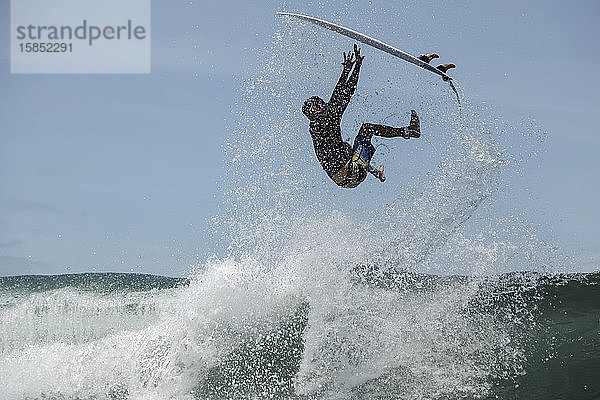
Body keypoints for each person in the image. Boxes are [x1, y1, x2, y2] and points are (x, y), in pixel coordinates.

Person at [302, 44, 421, 188]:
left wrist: (346, 71)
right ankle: (409, 131)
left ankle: (374, 171)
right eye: (320, 103)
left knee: (345, 146)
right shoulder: (326, 119)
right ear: (316, 111)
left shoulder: (316, 127)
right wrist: (356, 67)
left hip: (346, 181)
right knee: (367, 129)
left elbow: (337, 97)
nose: (324, 103)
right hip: (351, 172)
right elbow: (344, 93)